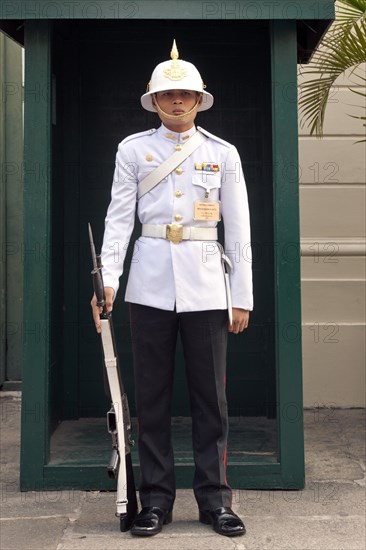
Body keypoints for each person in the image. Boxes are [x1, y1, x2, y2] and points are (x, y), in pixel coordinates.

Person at [91, 40, 253, 538]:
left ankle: (215, 499)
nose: (178, 102)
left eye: (186, 94)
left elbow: (240, 229)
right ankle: (156, 500)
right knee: (152, 398)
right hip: (151, 285)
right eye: (169, 95)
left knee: (212, 401)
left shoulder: (222, 152)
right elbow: (119, 219)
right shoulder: (133, 150)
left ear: (200, 99)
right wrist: (110, 279)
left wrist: (241, 294)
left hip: (207, 286)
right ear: (154, 100)